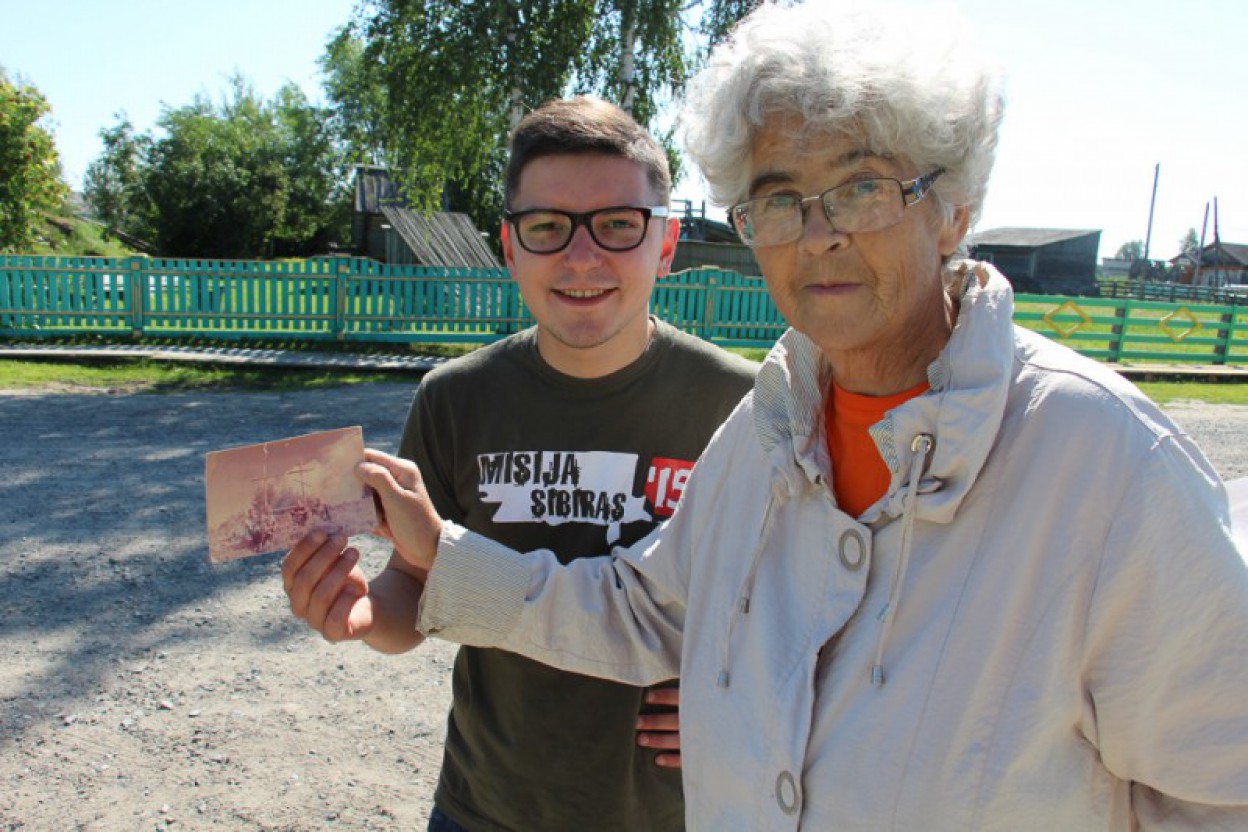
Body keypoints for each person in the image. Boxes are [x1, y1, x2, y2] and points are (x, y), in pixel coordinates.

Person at [353, 1, 1248, 829]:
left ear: (953, 212)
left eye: (864, 187)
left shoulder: (1110, 466)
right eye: (780, 199)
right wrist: (444, 557)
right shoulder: (765, 435)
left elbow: (1221, 791)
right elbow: (642, 608)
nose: (819, 234)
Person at [281, 96, 757, 831]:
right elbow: (416, 582)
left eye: (618, 224)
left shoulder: (742, 407)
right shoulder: (455, 398)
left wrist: (743, 703)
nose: (581, 257)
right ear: (510, 246)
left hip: (677, 814)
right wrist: (365, 614)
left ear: (665, 245)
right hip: (486, 807)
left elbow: (794, 612)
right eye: (546, 227)